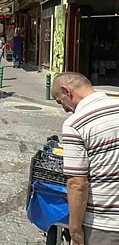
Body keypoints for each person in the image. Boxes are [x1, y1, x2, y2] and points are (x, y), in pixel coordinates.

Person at [51, 72, 119, 245]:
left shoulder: (75, 123)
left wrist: (74, 230)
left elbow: (77, 183)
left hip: (104, 224)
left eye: (60, 102)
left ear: (67, 91)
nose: (64, 109)